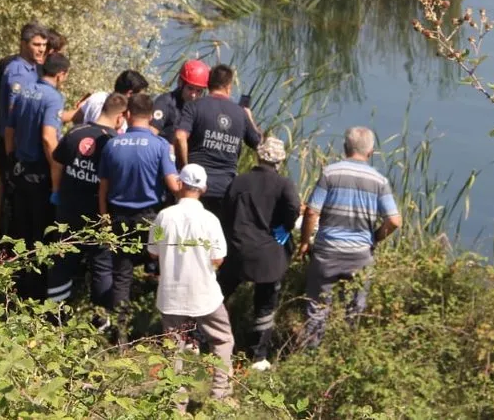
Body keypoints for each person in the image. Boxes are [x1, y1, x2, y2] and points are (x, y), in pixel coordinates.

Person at [298, 127, 401, 349]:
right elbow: (394, 221)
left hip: (327, 252)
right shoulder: (379, 180)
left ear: (345, 148)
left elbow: (312, 212)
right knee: (353, 311)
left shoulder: (330, 173)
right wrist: (374, 238)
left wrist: (305, 242)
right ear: (371, 152)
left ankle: (310, 356)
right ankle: (344, 353)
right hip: (360, 256)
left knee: (317, 310)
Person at [147, 164, 234, 405]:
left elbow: (153, 252)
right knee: (222, 339)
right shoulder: (210, 220)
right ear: (203, 188)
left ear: (180, 184)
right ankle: (219, 395)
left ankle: (177, 404)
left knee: (173, 347)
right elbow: (218, 258)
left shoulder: (164, 216)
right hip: (204, 293)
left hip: (171, 293)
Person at [97, 93, 180, 340]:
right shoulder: (160, 146)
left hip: (119, 218)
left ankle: (120, 334)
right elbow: (173, 185)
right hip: (152, 220)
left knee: (122, 275)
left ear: (128, 114)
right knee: (163, 267)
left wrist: (104, 219)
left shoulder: (112, 144)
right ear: (151, 115)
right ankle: (164, 330)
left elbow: (103, 189)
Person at [218, 137, 300, 371]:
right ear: (280, 161)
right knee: (265, 304)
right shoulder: (283, 184)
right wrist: (285, 226)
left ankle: (201, 337)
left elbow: (226, 212)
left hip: (237, 251)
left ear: (258, 156)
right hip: (269, 253)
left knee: (217, 295)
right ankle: (258, 356)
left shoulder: (239, 181)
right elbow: (293, 207)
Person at [46, 92, 128, 311]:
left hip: (68, 209)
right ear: (120, 117)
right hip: (98, 216)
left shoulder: (75, 132)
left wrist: (56, 191)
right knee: (102, 266)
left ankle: (53, 316)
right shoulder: (115, 143)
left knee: (61, 260)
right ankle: (100, 319)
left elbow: (57, 163)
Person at [4, 52, 70, 300]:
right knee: (40, 234)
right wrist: (56, 181)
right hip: (40, 175)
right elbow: (48, 138)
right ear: (61, 74)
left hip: (20, 171)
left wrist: (12, 159)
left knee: (20, 229)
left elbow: (9, 129)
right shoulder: (53, 98)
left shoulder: (25, 91)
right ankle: (36, 292)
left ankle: (17, 286)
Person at [0, 23, 48, 240]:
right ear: (23, 44)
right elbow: (15, 113)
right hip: (12, 143)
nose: (41, 49)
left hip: (12, 140)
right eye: (36, 44)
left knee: (7, 188)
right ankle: (1, 238)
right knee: (8, 189)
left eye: (44, 45)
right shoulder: (18, 72)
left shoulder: (32, 68)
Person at [174, 64, 261, 219]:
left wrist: (185, 168)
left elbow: (180, 137)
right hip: (226, 189)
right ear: (229, 86)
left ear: (208, 84)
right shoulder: (240, 113)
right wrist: (249, 116)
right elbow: (259, 144)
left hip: (196, 186)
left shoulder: (194, 106)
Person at [151, 60, 209, 144]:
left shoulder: (200, 109)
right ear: (180, 82)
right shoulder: (165, 103)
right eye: (190, 88)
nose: (193, 95)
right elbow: (151, 134)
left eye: (198, 91)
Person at [73, 70, 149, 129]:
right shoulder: (102, 103)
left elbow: (75, 117)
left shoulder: (98, 97)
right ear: (130, 93)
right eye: (139, 96)